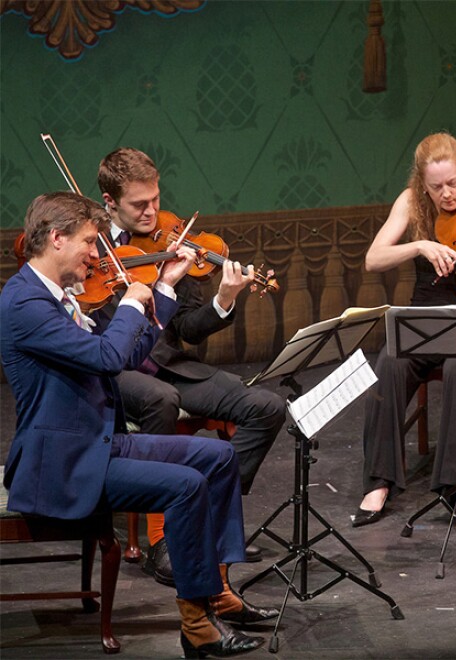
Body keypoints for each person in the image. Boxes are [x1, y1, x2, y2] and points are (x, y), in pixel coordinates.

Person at [1, 192, 278, 657]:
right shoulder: (25, 304)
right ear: (56, 239)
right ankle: (197, 625)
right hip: (64, 464)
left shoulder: (56, 296)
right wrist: (131, 300)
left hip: (98, 442)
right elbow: (109, 357)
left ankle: (217, 593)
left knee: (219, 455)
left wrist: (165, 287)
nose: (97, 253)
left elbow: (129, 355)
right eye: (90, 242)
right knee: (187, 486)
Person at [96, 148, 287, 586]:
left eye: (156, 200)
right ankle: (163, 538)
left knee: (267, 406)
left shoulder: (171, 240)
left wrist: (226, 298)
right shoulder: (92, 246)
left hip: (170, 364)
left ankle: (209, 518)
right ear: (110, 202)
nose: (152, 212)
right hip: (114, 368)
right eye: (138, 205)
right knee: (158, 400)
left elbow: (189, 328)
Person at [353, 132, 456, 541]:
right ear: (423, 185)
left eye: (454, 182)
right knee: (390, 361)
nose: (448, 194)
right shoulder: (410, 203)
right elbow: (373, 259)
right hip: (427, 321)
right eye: (436, 187)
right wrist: (419, 245)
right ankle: (379, 480)